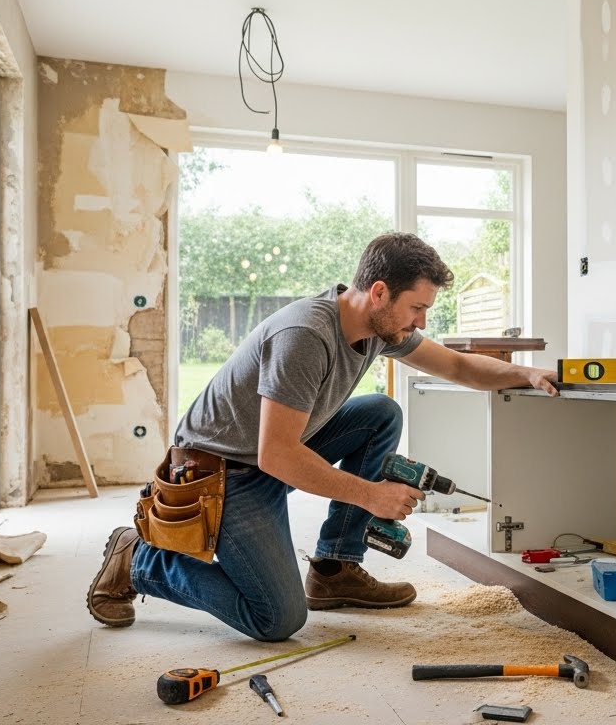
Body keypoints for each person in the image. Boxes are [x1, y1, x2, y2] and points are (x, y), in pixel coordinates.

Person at [86, 232, 558, 640]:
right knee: (276, 619)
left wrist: (527, 374)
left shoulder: (378, 329)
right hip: (223, 474)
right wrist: (371, 495)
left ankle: (334, 569)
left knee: (379, 413)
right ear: (379, 293)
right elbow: (277, 456)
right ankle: (140, 560)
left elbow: (456, 365)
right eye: (416, 308)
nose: (421, 322)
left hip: (267, 453)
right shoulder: (306, 337)